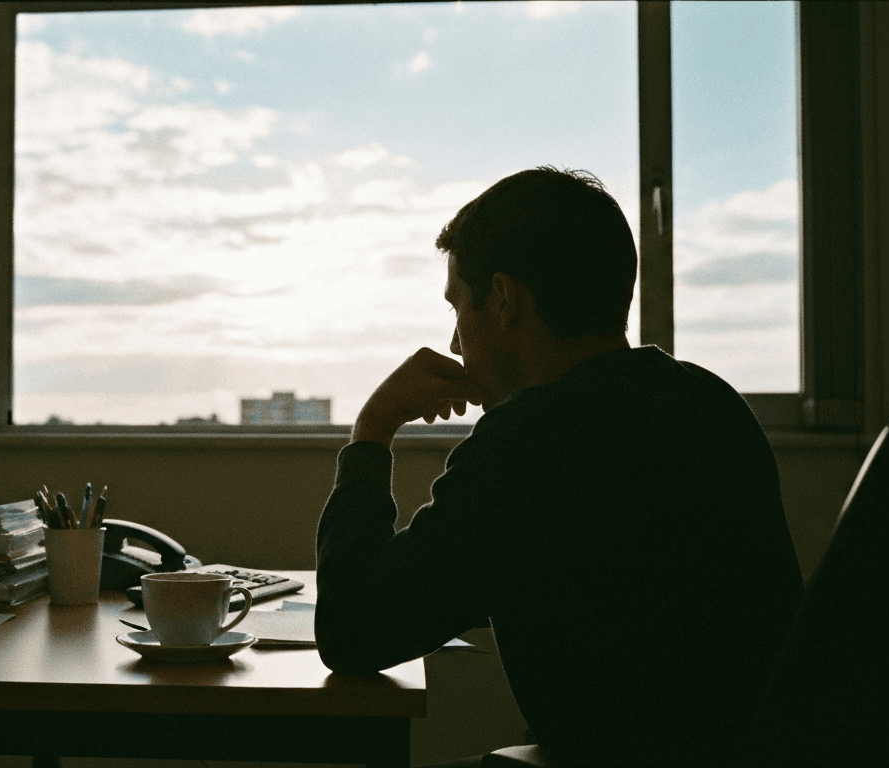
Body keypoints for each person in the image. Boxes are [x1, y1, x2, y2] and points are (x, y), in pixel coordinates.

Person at [314, 166, 805, 766]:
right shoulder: (712, 403)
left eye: (458, 307)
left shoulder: (529, 443)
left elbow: (351, 630)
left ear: (503, 299)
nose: (454, 343)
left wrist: (372, 428)